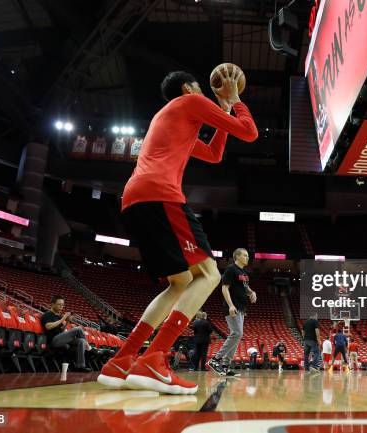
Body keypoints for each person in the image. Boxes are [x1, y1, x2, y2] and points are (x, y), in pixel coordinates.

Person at [97, 68, 258, 394]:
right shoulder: (189, 102)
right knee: (210, 274)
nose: (204, 92)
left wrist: (223, 110)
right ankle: (155, 358)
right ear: (188, 88)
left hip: (135, 198)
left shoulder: (173, 118)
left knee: (180, 282)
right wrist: (236, 100)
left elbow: (213, 154)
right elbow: (250, 132)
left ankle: (123, 359)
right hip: (160, 194)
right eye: (200, 87)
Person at [208, 248, 257, 377]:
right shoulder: (231, 269)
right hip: (232, 307)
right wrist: (230, 305)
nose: (247, 258)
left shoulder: (244, 272)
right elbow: (224, 288)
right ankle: (215, 360)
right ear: (237, 256)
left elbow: (245, 287)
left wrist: (252, 292)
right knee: (237, 333)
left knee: (237, 335)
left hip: (241, 307)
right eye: (245, 256)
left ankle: (225, 366)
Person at [41, 295, 91, 372]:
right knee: (78, 329)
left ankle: (80, 366)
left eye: (62, 305)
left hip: (61, 339)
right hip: (53, 340)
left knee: (81, 341)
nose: (61, 307)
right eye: (59, 304)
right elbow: (48, 327)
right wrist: (63, 319)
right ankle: (88, 346)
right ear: (52, 304)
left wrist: (67, 321)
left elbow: (62, 330)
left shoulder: (59, 316)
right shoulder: (47, 314)